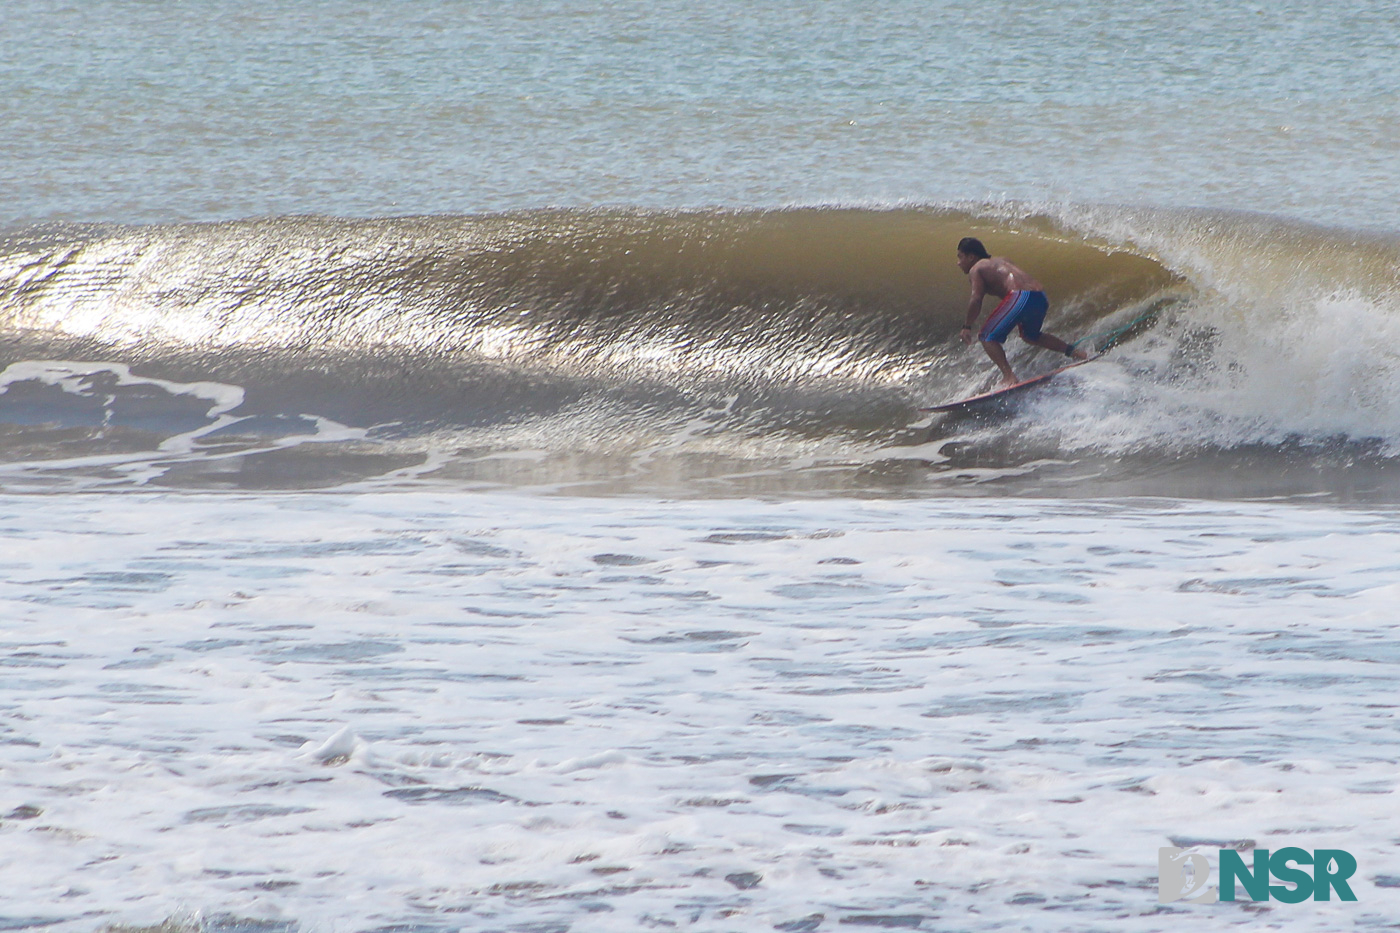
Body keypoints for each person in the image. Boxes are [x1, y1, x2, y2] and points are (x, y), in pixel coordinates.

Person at [955, 236, 1087, 387]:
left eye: (960, 257)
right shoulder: (1002, 260)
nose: (958, 263)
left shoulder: (976, 269)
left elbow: (976, 299)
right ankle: (1077, 353)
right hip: (1040, 296)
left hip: (1021, 296)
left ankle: (1009, 376)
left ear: (971, 257)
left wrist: (967, 326)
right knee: (1031, 336)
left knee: (986, 336)